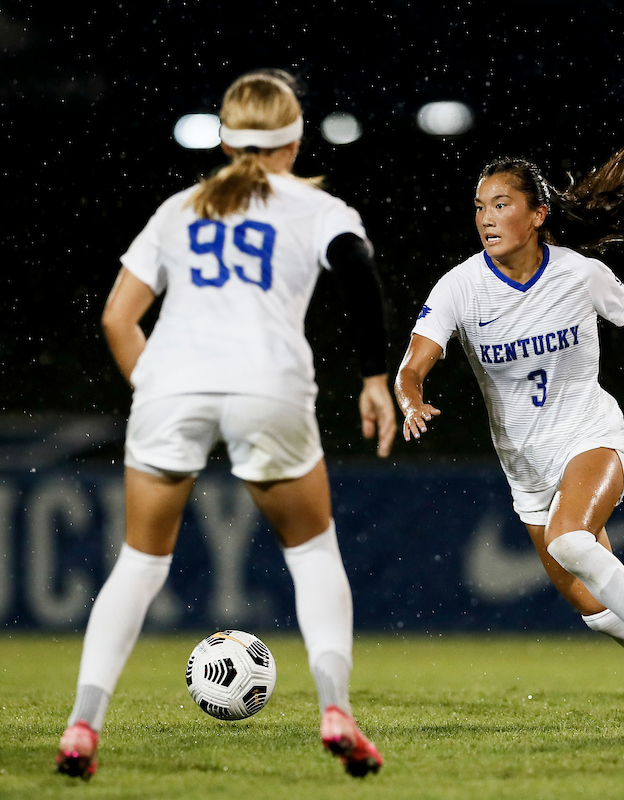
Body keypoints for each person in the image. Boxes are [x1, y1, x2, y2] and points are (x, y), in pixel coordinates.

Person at [56, 69, 394, 779]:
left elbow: (118, 318)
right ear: (294, 141)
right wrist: (373, 377)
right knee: (312, 553)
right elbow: (358, 273)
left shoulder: (179, 209)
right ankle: (336, 710)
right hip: (269, 384)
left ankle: (83, 724)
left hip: (172, 384)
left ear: (225, 140)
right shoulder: (316, 208)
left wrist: (159, 391)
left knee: (140, 563)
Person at [395, 138, 624, 719]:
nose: (486, 219)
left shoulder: (579, 274)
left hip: (591, 437)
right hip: (525, 468)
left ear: (538, 214)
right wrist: (411, 400)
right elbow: (413, 364)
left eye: (501, 205)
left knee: (570, 540)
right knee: (595, 611)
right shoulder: (459, 286)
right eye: (479, 207)